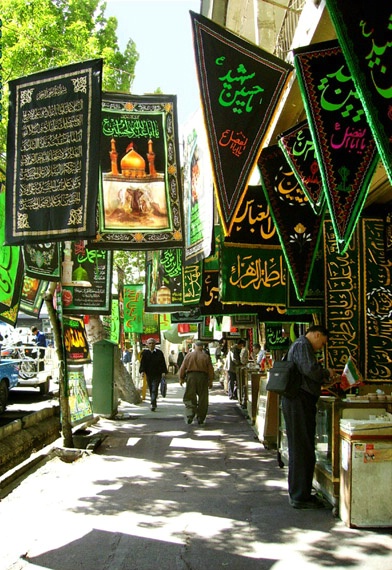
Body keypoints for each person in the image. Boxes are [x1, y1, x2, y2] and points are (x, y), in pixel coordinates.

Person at [282, 325, 337, 510]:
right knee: (301, 448)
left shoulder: (300, 345)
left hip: (299, 402)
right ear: (316, 334)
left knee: (302, 447)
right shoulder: (302, 345)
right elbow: (310, 370)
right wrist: (326, 373)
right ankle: (300, 496)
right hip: (298, 402)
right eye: (322, 343)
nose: (321, 347)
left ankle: (300, 492)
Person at [178, 340, 214, 426]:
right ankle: (200, 418)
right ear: (202, 347)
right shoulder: (206, 356)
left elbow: (182, 368)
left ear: (194, 346)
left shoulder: (188, 355)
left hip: (191, 377)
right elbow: (210, 370)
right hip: (203, 377)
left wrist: (181, 378)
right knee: (203, 398)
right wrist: (210, 380)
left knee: (190, 396)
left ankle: (190, 415)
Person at [139, 338, 168, 411]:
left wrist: (163, 372)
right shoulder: (145, 353)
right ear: (147, 344)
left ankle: (153, 404)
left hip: (157, 374)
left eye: (153, 343)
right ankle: (153, 401)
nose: (151, 345)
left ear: (155, 344)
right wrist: (142, 371)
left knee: (154, 388)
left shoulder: (159, 353)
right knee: (151, 389)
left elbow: (163, 363)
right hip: (149, 374)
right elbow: (143, 363)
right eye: (150, 343)